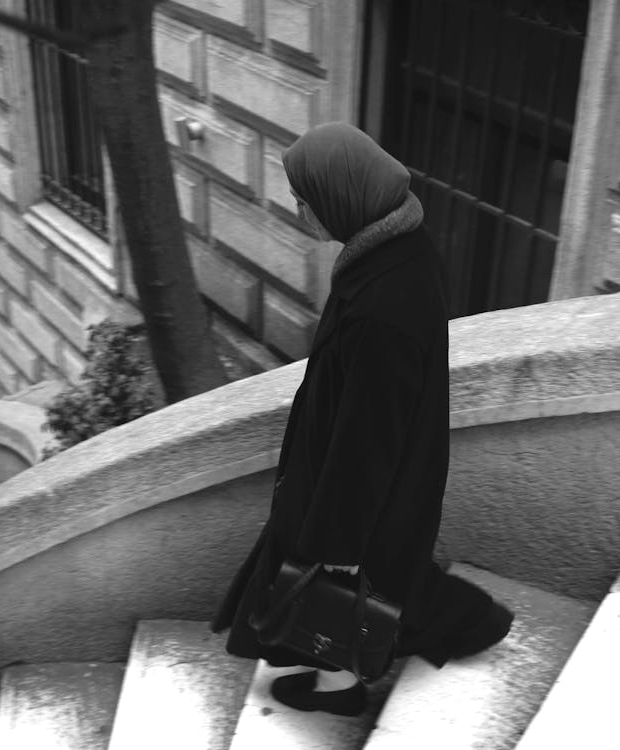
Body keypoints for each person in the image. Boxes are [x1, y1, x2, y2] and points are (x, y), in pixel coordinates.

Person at [211, 122, 513, 716]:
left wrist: (338, 538)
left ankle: (435, 643)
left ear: (343, 196)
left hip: (363, 488)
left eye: (306, 198)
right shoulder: (396, 248)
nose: (300, 210)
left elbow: (368, 440)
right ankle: (354, 680)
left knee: (345, 587)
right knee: (363, 588)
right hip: (379, 478)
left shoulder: (383, 308)